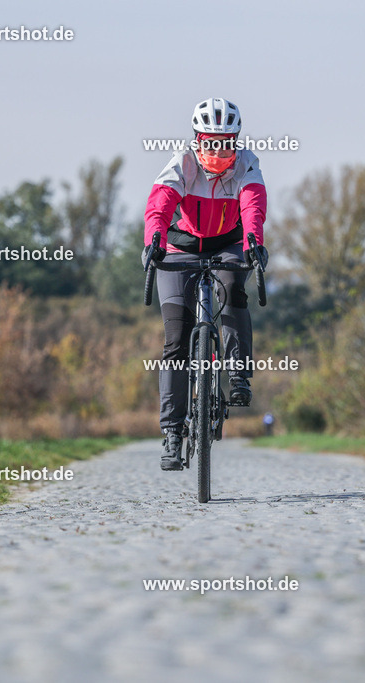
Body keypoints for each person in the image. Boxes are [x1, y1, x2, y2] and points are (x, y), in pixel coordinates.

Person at [142, 97, 269, 471]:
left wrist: (254, 243)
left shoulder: (247, 164)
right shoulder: (182, 162)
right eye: (210, 142)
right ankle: (172, 433)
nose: (217, 151)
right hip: (180, 246)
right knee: (176, 338)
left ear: (236, 141)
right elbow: (160, 205)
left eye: (225, 143)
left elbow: (253, 207)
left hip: (228, 243)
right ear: (197, 139)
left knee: (233, 290)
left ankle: (238, 374)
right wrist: (153, 241)